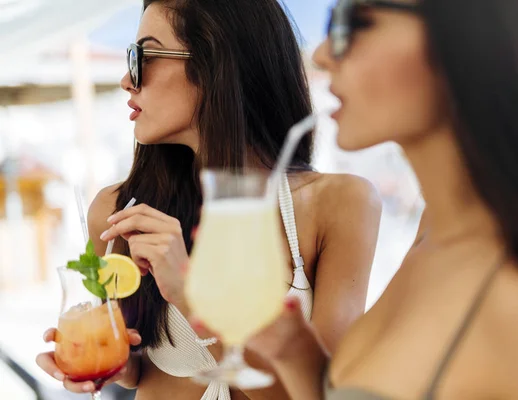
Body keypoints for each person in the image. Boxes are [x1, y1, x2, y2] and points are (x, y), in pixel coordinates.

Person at [189, 0, 518, 398]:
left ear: (475, 37)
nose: (321, 52)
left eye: (355, 20)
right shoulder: (435, 235)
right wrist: (292, 349)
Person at [36, 0, 382, 399]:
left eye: (143, 55)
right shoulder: (117, 212)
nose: (126, 80)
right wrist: (107, 362)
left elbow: (320, 394)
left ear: (216, 63)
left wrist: (188, 292)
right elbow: (139, 369)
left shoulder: (338, 203)